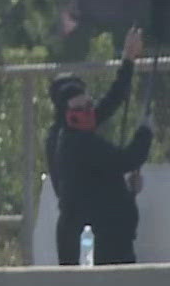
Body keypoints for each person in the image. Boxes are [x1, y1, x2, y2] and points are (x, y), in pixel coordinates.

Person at [50, 32, 154, 266]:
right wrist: (145, 132)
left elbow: (112, 100)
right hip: (92, 243)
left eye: (89, 105)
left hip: (110, 237)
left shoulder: (79, 133)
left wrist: (128, 60)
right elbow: (127, 159)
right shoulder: (75, 142)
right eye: (80, 108)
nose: (88, 112)